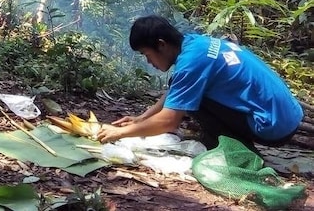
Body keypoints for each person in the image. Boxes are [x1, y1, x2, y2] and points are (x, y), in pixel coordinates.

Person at [96, 15, 304, 150]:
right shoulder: (195, 43)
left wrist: (120, 133)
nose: (148, 61)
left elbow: (169, 121)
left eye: (146, 54)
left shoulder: (193, 62)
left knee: (196, 99)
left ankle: (235, 149)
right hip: (287, 114)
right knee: (188, 92)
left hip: (272, 126)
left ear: (161, 45)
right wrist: (141, 119)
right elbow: (177, 89)